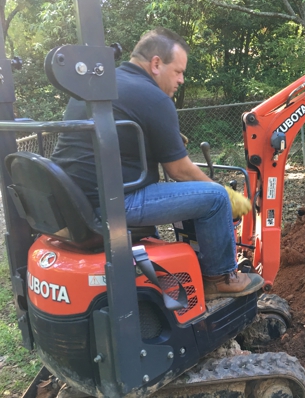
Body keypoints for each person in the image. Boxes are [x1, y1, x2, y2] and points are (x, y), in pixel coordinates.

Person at [51, 27, 263, 299]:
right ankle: (220, 278)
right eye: (178, 71)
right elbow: (179, 170)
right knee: (214, 198)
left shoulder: (98, 85)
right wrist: (227, 194)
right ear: (155, 64)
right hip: (112, 203)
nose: (182, 80)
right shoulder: (153, 98)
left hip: (74, 200)